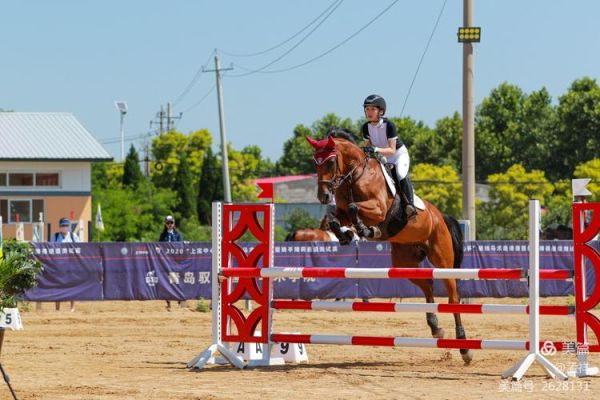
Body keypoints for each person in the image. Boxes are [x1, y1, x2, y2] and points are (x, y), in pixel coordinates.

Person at [361, 94, 416, 220]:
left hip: (398, 155)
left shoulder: (389, 125)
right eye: (367, 109)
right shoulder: (365, 127)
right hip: (381, 157)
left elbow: (391, 150)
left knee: (400, 174)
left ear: (381, 111)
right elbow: (368, 149)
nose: (369, 112)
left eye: (373, 109)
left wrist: (375, 149)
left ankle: (410, 206)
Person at [51, 217, 78, 312]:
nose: (65, 227)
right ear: (59, 226)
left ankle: (72, 307)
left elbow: (79, 249)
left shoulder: (73, 236)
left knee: (71, 286)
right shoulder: (55, 236)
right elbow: (51, 249)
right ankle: (57, 308)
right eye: (63, 225)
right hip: (58, 265)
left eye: (66, 225)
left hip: (71, 265)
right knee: (58, 286)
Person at [159, 215, 184, 310]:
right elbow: (159, 246)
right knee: (166, 281)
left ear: (174, 223)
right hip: (165, 261)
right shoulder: (163, 235)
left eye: (171, 223)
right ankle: (168, 302)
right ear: (165, 224)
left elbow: (181, 247)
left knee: (176, 279)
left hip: (175, 260)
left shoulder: (178, 235)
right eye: (168, 223)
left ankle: (179, 301)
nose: (169, 224)